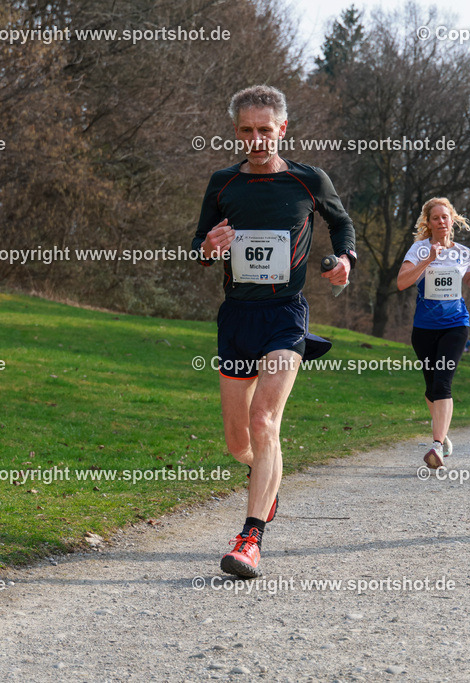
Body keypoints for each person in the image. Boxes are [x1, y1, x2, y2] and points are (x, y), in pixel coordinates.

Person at [192, 85, 356, 578]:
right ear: (236, 131)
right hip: (237, 318)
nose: (257, 138)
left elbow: (342, 223)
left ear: (282, 129)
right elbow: (200, 241)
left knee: (265, 421)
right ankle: (267, 483)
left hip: (286, 315)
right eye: (247, 130)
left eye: (266, 130)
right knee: (238, 441)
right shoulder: (223, 183)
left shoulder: (308, 181)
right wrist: (209, 246)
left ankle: (250, 538)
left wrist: (345, 259)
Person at [396, 197, 470, 469]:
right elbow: (402, 283)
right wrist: (428, 260)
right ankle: (443, 436)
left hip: (456, 325)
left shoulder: (463, 252)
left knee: (443, 384)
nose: (441, 221)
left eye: (445, 217)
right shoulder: (418, 250)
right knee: (431, 388)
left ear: (452, 219)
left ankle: (436, 446)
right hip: (424, 328)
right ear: (428, 222)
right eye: (435, 217)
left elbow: (468, 280)